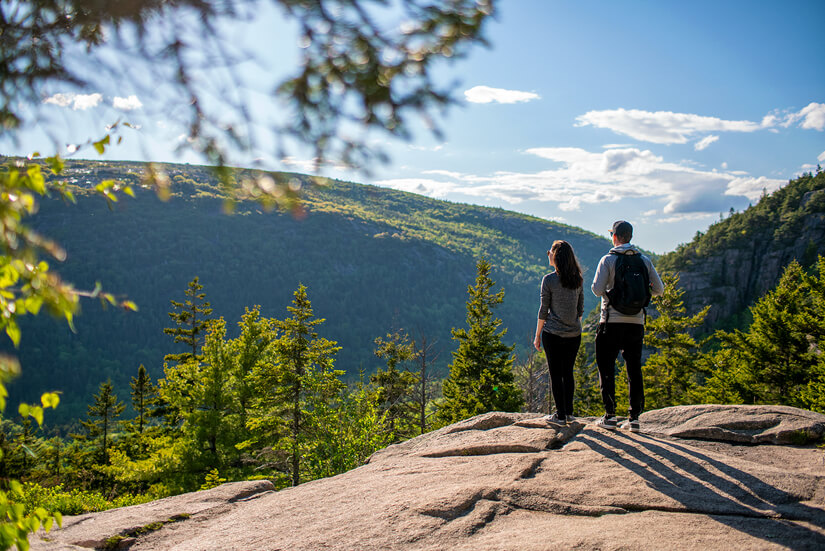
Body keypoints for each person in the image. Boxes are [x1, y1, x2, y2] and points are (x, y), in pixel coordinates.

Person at [591, 220, 664, 432]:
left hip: (611, 321)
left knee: (606, 366)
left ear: (614, 236)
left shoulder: (608, 260)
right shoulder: (644, 260)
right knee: (633, 368)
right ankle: (634, 419)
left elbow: (596, 290)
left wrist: (609, 291)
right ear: (630, 236)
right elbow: (659, 289)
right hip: (636, 322)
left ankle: (610, 415)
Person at [533, 240, 584, 426]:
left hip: (553, 334)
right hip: (573, 335)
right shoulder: (577, 278)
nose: (548, 255)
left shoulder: (549, 280)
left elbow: (543, 310)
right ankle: (569, 413)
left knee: (555, 374)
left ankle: (560, 415)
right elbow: (580, 310)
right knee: (568, 372)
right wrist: (571, 326)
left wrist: (537, 335)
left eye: (550, 252)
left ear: (555, 256)